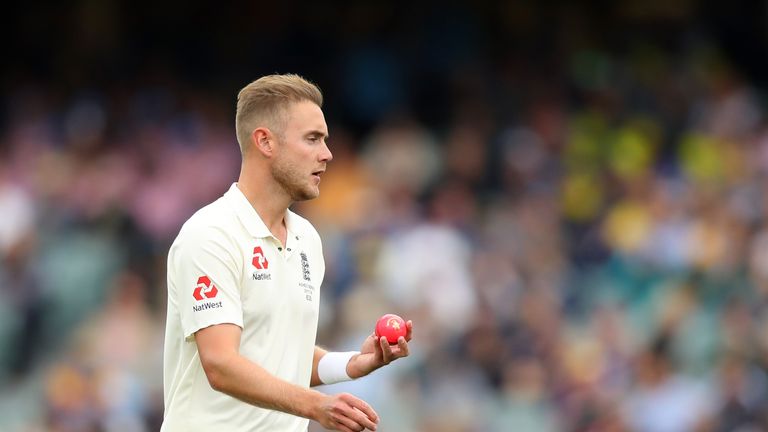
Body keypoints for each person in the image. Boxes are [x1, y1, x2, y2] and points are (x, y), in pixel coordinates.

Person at [161, 74, 413, 432]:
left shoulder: (307, 239)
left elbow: (279, 355)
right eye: (313, 139)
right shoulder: (211, 235)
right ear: (265, 141)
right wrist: (316, 405)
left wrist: (353, 364)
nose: (327, 154)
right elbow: (220, 364)